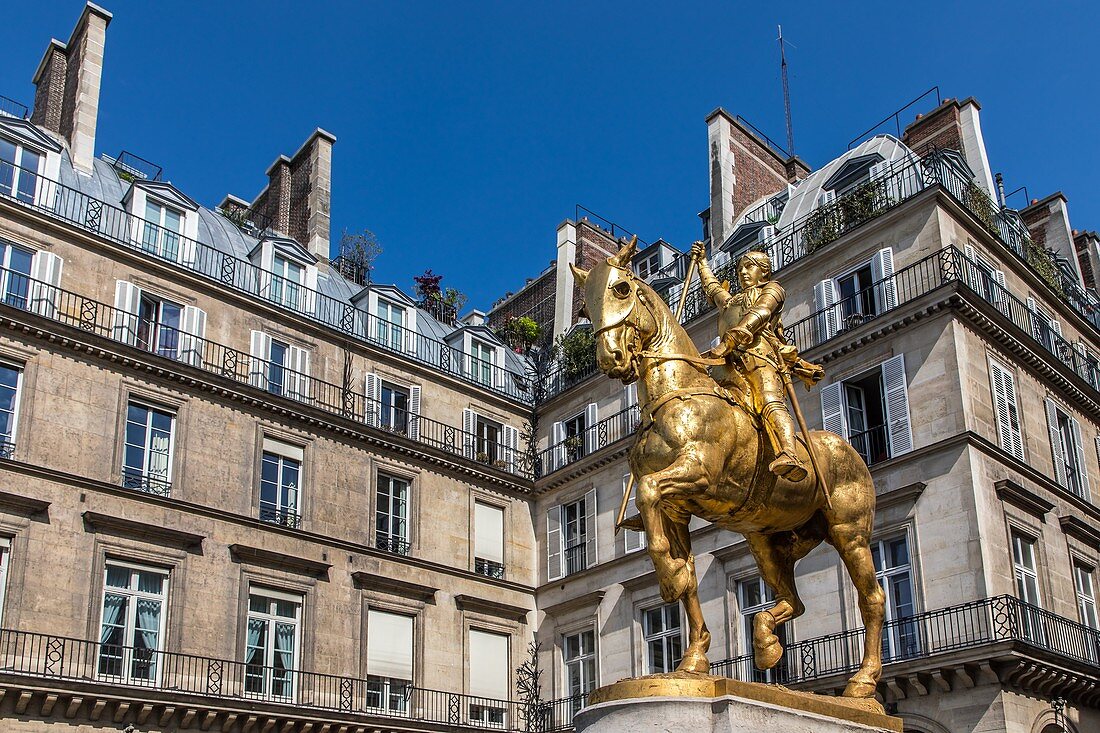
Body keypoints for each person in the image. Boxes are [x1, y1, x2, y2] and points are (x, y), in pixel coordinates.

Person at [690, 242, 823, 481]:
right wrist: (701, 262)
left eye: (749, 267)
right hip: (728, 363)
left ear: (764, 270)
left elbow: (760, 313)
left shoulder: (772, 289)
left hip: (760, 356)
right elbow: (712, 288)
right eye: (740, 268)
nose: (742, 272)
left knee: (769, 401)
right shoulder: (732, 302)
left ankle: (790, 454)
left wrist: (730, 341)